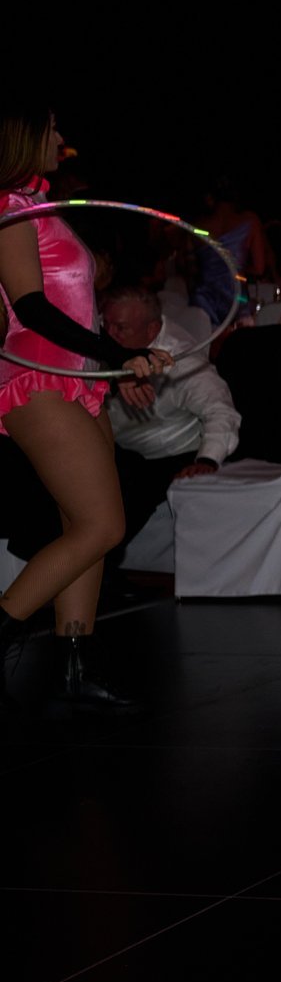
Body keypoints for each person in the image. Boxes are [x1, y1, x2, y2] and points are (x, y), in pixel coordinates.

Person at [0, 105, 169, 712]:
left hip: (77, 381)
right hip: (36, 380)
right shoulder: (10, 209)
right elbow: (32, 308)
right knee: (103, 526)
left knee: (86, 527)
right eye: (52, 130)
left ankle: (74, 668)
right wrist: (119, 352)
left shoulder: (40, 206)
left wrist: (115, 372)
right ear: (27, 137)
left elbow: (77, 306)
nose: (62, 139)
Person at [99, 287, 239, 536]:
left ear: (152, 330)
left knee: (115, 508)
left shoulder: (183, 361)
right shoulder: (106, 347)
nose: (109, 335)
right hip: (113, 448)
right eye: (105, 325)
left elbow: (220, 410)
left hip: (168, 455)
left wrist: (207, 460)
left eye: (120, 328)